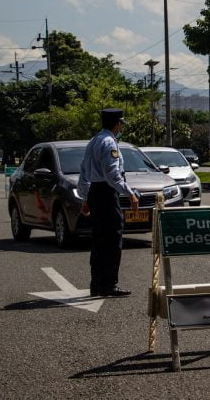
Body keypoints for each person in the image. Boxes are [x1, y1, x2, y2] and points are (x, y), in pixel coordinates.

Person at [78, 108, 139, 297]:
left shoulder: (94, 141)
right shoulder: (109, 142)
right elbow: (112, 175)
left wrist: (85, 198)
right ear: (117, 124)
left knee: (99, 240)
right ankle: (109, 284)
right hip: (106, 193)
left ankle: (96, 284)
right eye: (121, 124)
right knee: (113, 239)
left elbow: (83, 171)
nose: (121, 128)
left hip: (95, 192)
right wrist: (130, 193)